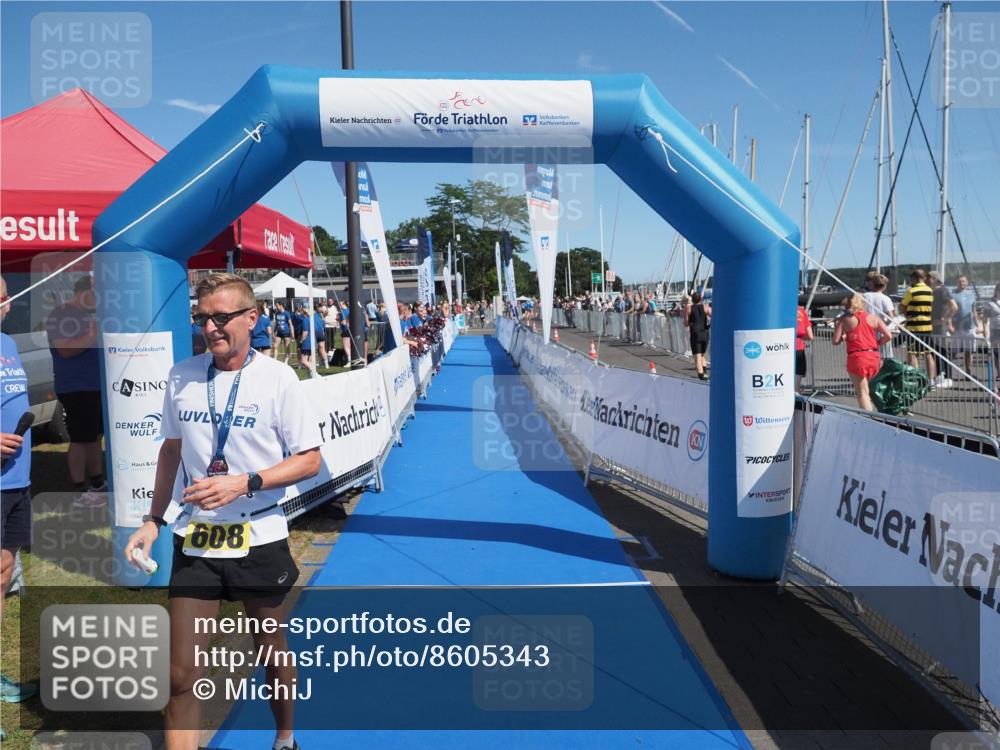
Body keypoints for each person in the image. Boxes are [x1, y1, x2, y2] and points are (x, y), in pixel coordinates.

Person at [124, 273, 321, 750]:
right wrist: (154, 519)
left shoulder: (278, 379)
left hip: (259, 535)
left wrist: (246, 482)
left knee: (270, 648)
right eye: (203, 317)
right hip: (197, 539)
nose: (210, 327)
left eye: (221, 317)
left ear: (252, 318)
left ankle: (284, 736)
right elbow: (171, 450)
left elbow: (311, 459)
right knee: (179, 675)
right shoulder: (182, 375)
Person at [0, 275, 39, 711]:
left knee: (4, 572)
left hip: (17, 481)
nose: (3, 304)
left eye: (6, 296)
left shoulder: (8, 344)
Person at [46, 274, 106, 508]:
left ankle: (97, 484)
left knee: (94, 437)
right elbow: (65, 350)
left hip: (93, 385)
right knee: (81, 439)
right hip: (76, 387)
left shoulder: (86, 315)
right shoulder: (61, 314)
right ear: (85, 292)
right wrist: (93, 334)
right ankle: (80, 490)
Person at [833, 293, 893, 412]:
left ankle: (868, 418)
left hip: (857, 357)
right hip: (873, 356)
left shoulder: (845, 320)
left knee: (862, 393)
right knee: (868, 390)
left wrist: (843, 336)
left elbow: (835, 341)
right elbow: (888, 335)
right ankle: (874, 411)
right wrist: (877, 343)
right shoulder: (873, 317)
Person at [899, 269, 936, 382]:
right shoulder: (930, 291)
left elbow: (902, 306)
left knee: (913, 353)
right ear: (924, 278)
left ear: (914, 278)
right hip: (927, 325)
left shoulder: (911, 291)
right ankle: (931, 380)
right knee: (928, 353)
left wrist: (906, 314)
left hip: (913, 325)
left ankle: (918, 379)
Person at [928, 272, 957, 388]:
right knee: (937, 350)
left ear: (935, 279)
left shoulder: (942, 291)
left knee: (942, 350)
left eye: (929, 278)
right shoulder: (934, 291)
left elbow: (954, 306)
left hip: (940, 327)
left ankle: (946, 376)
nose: (927, 280)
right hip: (935, 327)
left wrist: (945, 319)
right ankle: (941, 375)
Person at [863, 273, 896, 363]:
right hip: (881, 330)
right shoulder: (885, 299)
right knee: (883, 356)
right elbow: (890, 317)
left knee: (868, 354)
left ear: (872, 284)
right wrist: (883, 325)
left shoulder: (864, 296)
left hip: (867, 329)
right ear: (884, 286)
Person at [951, 275, 979, 378]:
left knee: (969, 351)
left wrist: (978, 325)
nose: (962, 283)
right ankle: (947, 371)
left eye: (964, 281)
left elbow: (974, 312)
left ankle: (968, 372)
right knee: (954, 351)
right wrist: (949, 324)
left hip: (969, 327)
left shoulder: (971, 295)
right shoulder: (952, 295)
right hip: (956, 327)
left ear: (967, 283)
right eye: (960, 282)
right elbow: (947, 311)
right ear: (956, 283)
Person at [683, 292, 711, 380]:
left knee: (697, 356)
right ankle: (705, 373)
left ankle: (701, 375)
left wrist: (690, 321)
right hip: (705, 333)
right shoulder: (706, 307)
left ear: (692, 299)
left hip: (695, 333)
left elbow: (686, 323)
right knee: (702, 354)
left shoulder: (689, 308)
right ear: (701, 299)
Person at [983, 283, 1000, 387]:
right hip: (995, 330)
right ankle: (999, 372)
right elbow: (985, 319)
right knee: (997, 353)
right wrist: (986, 331)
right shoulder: (990, 303)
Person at [795, 304, 814, 392]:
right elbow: (810, 336)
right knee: (796, 385)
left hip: (781, 349)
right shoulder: (801, 311)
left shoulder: (781, 307)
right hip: (799, 349)